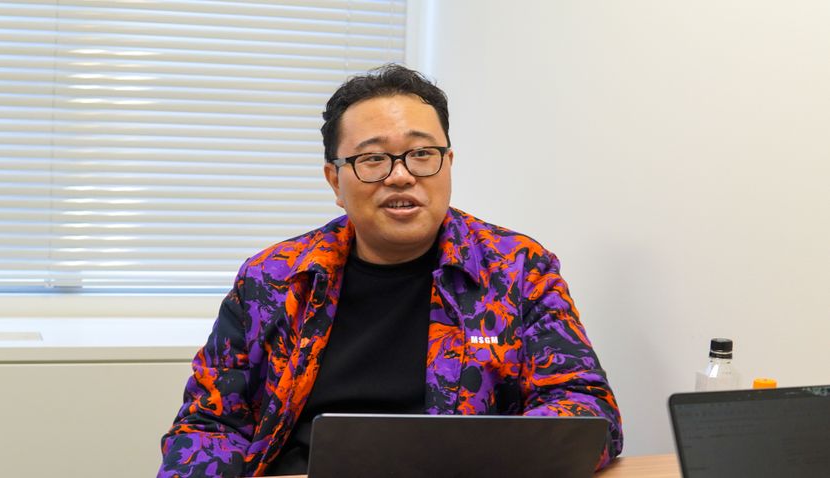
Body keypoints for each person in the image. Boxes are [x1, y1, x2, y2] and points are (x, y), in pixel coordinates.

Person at [158, 64, 623, 477]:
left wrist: (485, 465)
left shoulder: (518, 269)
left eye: (422, 154)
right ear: (335, 181)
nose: (401, 175)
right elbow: (209, 424)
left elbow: (585, 409)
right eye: (373, 159)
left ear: (448, 164)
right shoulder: (273, 279)